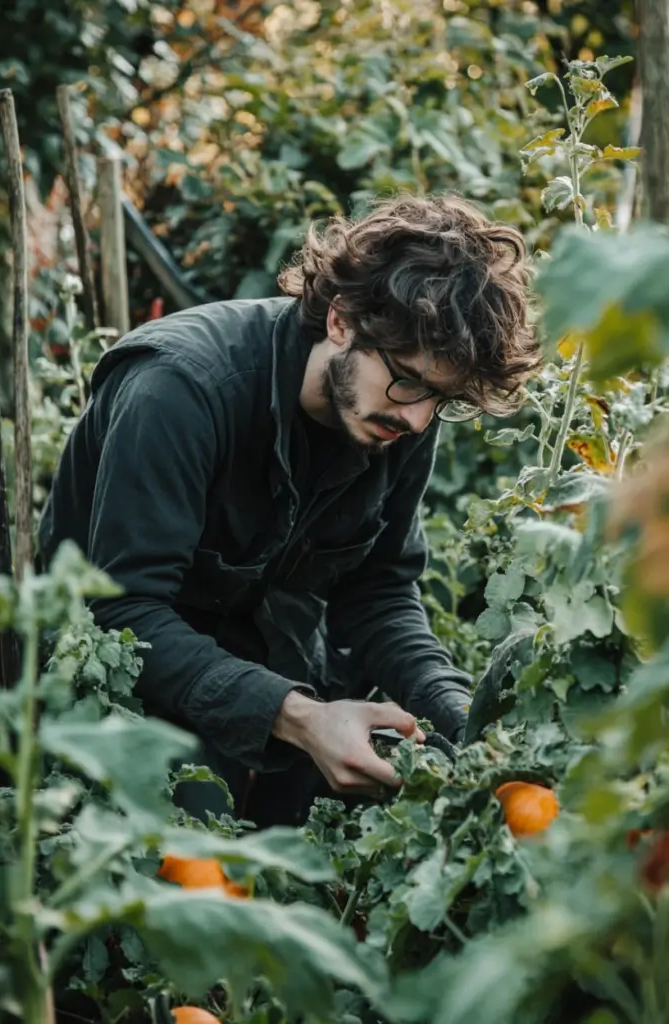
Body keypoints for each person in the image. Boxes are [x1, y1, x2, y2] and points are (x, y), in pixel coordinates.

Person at [38, 192, 541, 826]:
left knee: (313, 849)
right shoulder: (180, 390)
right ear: (341, 320)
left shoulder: (396, 411)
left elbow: (379, 587)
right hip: (112, 676)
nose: (417, 418)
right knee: (198, 851)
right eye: (409, 379)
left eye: (441, 398)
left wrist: (460, 713)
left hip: (266, 648)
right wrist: (302, 718)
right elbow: (122, 612)